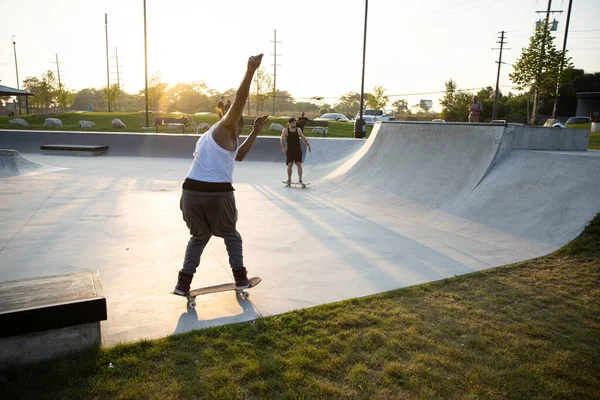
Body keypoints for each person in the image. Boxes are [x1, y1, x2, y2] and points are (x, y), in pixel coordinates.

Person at [174, 54, 269, 295]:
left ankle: (183, 283)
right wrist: (250, 71)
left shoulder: (210, 137)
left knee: (199, 236)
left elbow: (238, 155)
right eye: (241, 126)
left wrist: (256, 132)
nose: (240, 129)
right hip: (216, 194)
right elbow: (239, 102)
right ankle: (240, 279)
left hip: (190, 193)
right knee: (231, 235)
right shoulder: (226, 127)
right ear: (232, 121)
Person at [281, 117, 311, 186]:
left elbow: (303, 138)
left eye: (295, 123)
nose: (295, 124)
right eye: (293, 123)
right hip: (290, 150)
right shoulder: (285, 130)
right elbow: (281, 139)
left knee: (299, 164)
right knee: (290, 164)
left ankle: (300, 180)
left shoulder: (298, 130)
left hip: (297, 150)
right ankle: (289, 179)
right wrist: (283, 148)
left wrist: (308, 145)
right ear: (289, 123)